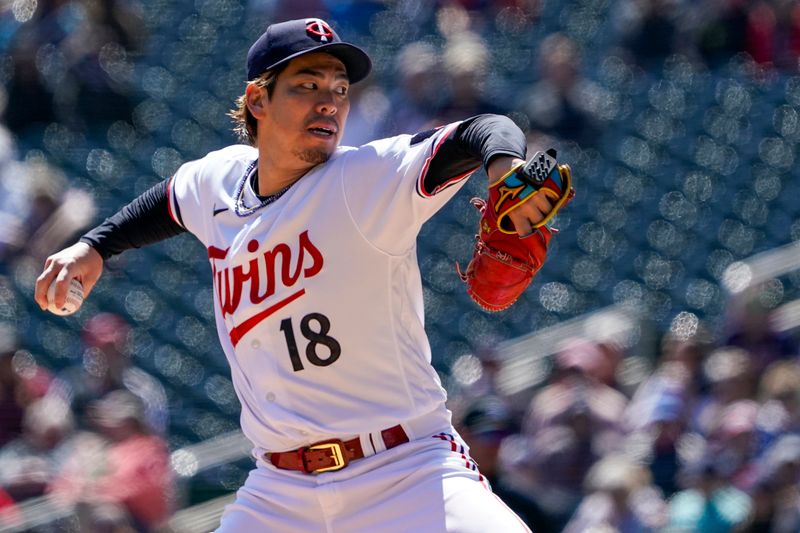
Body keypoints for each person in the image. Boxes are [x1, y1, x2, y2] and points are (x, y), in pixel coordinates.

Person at [34, 17, 561, 532]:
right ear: (258, 100)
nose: (329, 100)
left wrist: (503, 167)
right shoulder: (218, 181)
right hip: (280, 492)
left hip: (406, 470)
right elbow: (169, 201)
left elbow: (484, 129)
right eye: (307, 85)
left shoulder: (364, 179)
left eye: (338, 87)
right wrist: (94, 247)